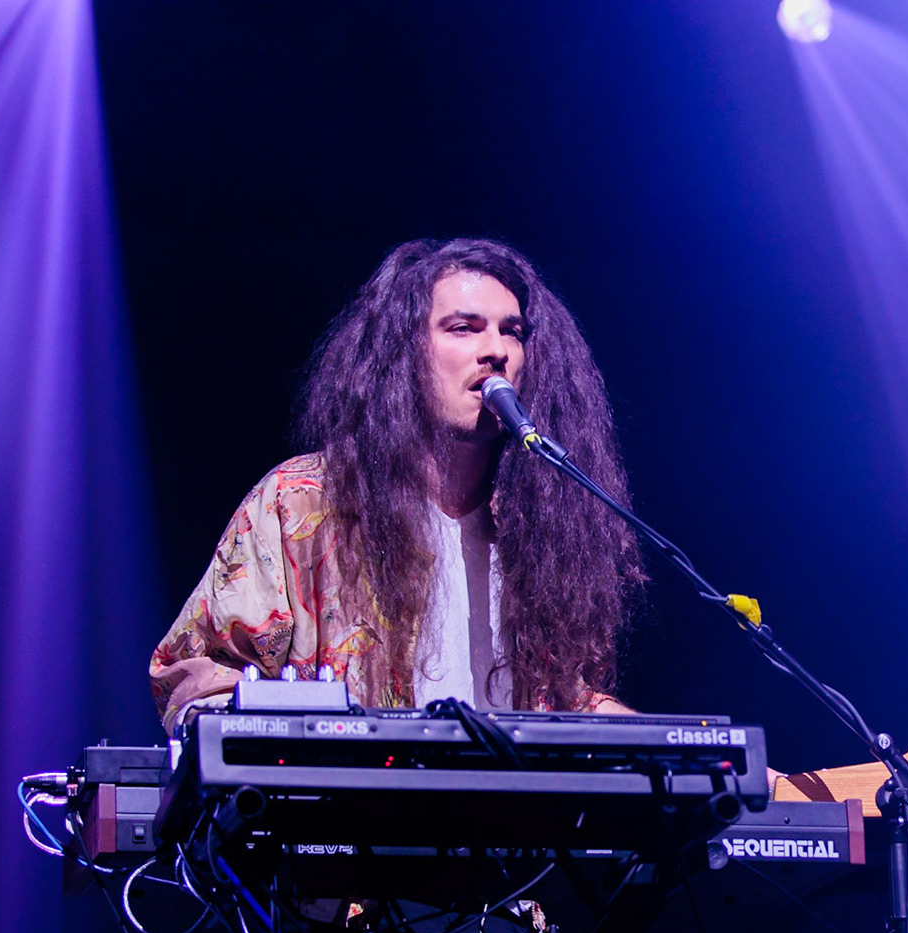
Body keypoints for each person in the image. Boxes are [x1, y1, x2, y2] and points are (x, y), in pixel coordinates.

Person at [150, 238, 646, 729]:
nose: (496, 351)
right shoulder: (301, 503)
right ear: (403, 354)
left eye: (512, 332)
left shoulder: (536, 524)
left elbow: (557, 700)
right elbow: (200, 679)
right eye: (463, 328)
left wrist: (667, 745)